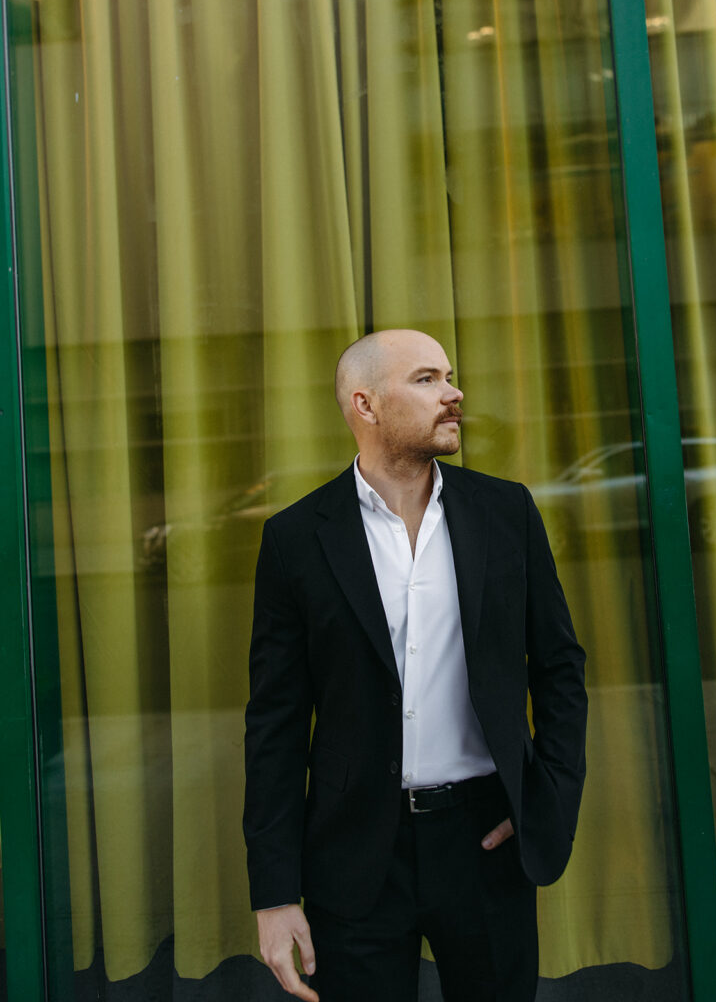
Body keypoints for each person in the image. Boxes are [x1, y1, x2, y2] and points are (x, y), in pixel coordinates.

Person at [243, 329, 587, 1002]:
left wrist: (543, 797)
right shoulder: (295, 538)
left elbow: (559, 669)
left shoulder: (503, 510)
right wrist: (275, 895)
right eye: (427, 379)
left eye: (448, 376)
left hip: (485, 840)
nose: (453, 393)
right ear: (365, 406)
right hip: (353, 853)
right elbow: (275, 726)